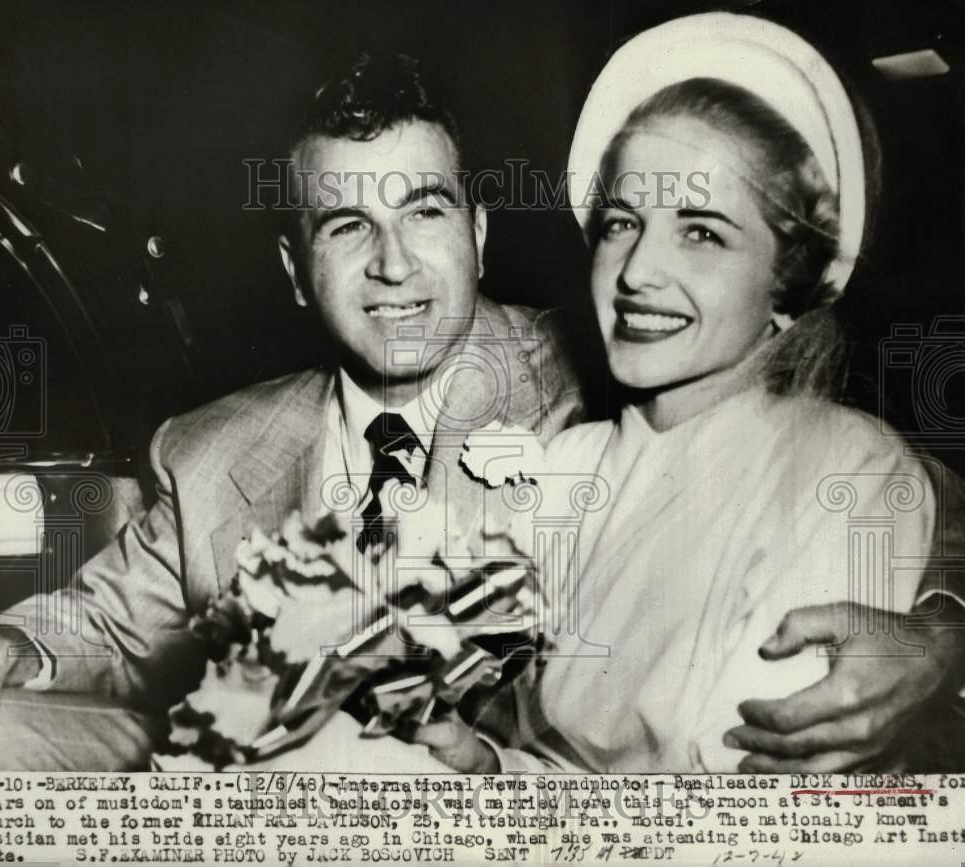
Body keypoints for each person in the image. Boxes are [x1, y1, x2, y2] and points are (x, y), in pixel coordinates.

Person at [0, 53, 583, 770]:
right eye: (348, 225)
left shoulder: (589, 391)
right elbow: (110, 626)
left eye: (423, 210)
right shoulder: (207, 455)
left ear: (477, 235)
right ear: (296, 271)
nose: (394, 263)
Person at [412, 12, 964, 773]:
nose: (637, 271)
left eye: (701, 232)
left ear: (787, 281)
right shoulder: (567, 464)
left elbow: (738, 816)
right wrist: (486, 769)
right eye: (620, 222)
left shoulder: (844, 471)